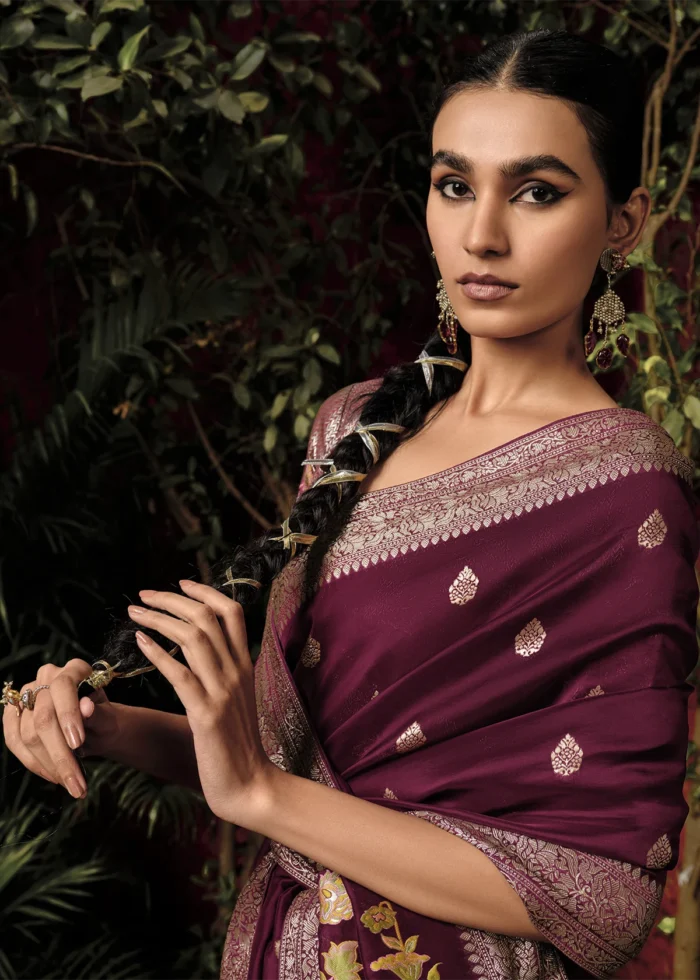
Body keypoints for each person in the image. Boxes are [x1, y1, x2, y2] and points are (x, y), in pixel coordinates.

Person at [3, 27, 699, 980]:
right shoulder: (354, 429)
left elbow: (602, 896)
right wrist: (106, 726)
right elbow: (290, 765)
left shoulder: (629, 488)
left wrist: (258, 794)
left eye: (537, 191)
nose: (481, 234)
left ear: (624, 223)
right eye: (455, 185)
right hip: (283, 949)